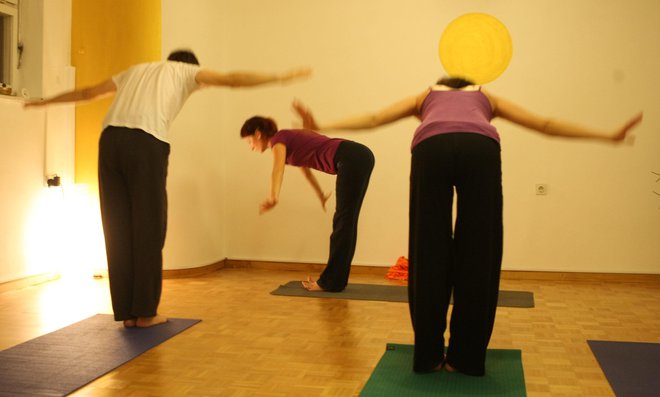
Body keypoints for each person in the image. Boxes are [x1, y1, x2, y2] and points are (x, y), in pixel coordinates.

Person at [293, 78, 643, 375]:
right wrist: (607, 135)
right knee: (479, 248)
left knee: (428, 247)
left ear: (440, 84)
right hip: (481, 148)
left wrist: (321, 120)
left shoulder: (425, 95)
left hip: (431, 147)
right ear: (472, 86)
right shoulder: (486, 96)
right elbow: (546, 124)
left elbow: (374, 117)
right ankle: (465, 358)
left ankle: (429, 357)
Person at [25, 49, 311, 328]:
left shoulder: (135, 70)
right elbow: (233, 79)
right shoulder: (187, 71)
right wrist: (280, 76)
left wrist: (46, 102)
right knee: (149, 228)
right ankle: (146, 313)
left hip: (110, 141)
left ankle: (127, 313)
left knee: (118, 228)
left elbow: (88, 93)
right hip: (146, 143)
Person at [240, 115, 374, 292]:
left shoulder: (279, 140)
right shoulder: (288, 142)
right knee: (347, 223)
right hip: (358, 156)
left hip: (351, 158)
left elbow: (277, 169)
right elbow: (307, 172)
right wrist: (320, 194)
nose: (251, 147)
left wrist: (274, 197)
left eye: (249, 141)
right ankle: (336, 281)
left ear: (258, 134)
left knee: (343, 223)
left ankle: (330, 282)